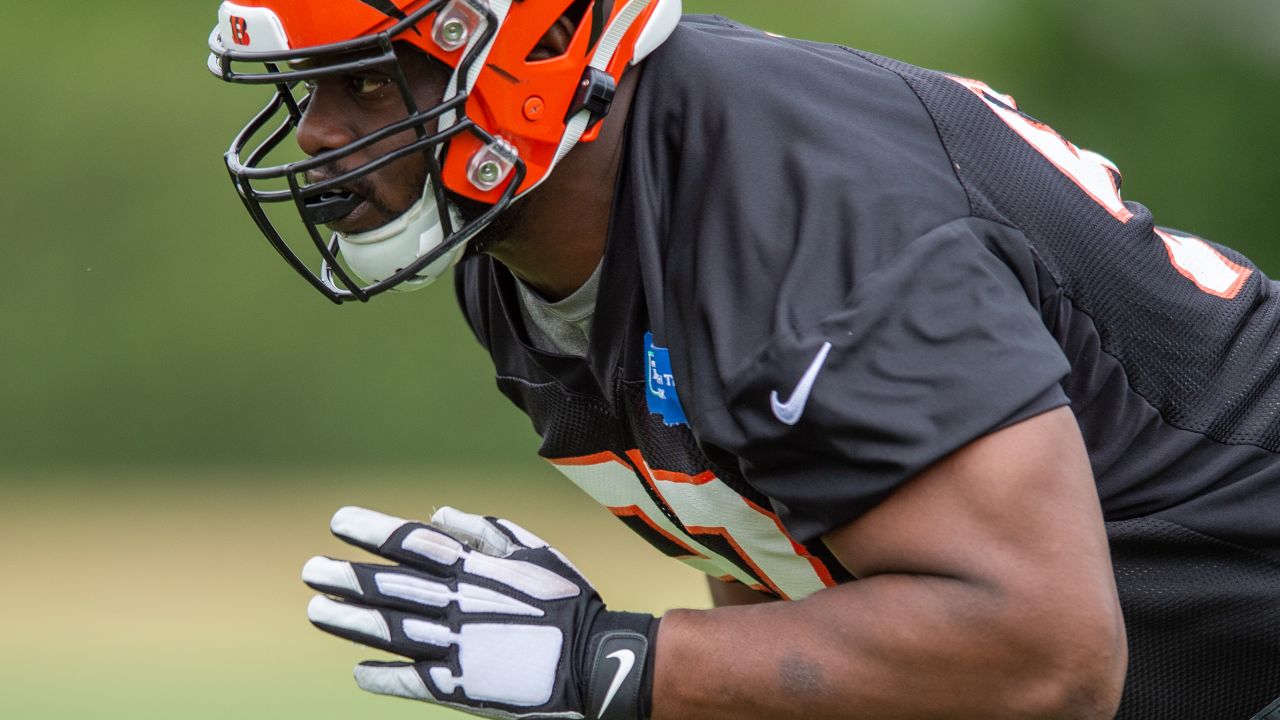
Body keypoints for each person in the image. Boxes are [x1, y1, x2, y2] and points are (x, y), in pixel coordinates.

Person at [208, 1, 1280, 718]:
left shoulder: (797, 223)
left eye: (368, 84)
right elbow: (788, 571)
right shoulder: (535, 240)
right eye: (311, 91)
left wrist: (609, 662)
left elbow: (1043, 648)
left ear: (528, 56)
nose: (315, 135)